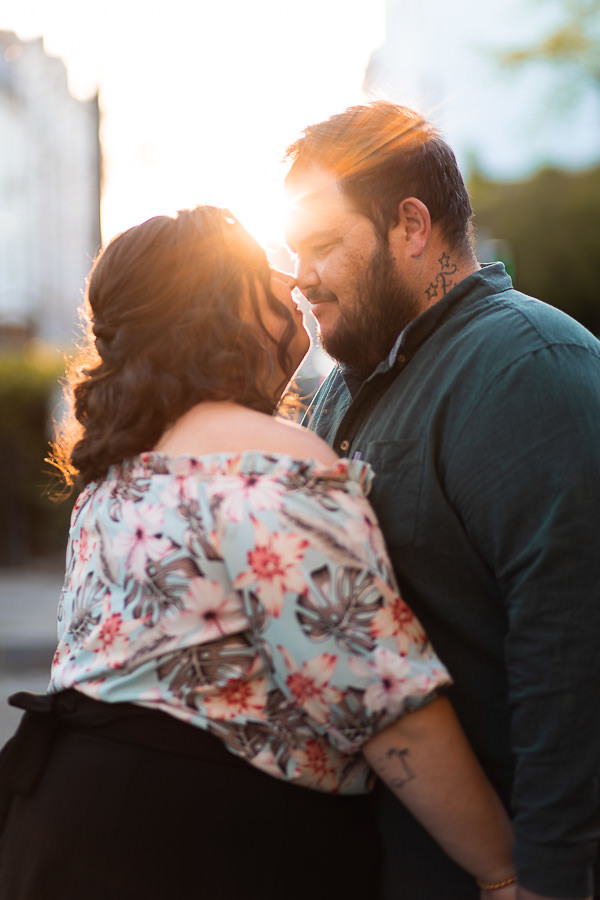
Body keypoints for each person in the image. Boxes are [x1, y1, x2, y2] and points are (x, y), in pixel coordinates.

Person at [0, 206, 515, 899]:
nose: (294, 279)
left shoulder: (123, 467)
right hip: (193, 845)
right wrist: (503, 867)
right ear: (221, 303)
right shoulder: (270, 460)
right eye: (262, 266)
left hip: (60, 832)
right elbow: (379, 701)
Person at [283, 100, 600, 900]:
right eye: (294, 252)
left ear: (412, 226)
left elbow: (570, 656)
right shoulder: (344, 388)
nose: (301, 277)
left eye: (323, 245)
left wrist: (549, 879)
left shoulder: (529, 367)